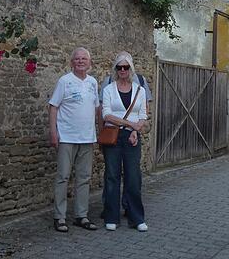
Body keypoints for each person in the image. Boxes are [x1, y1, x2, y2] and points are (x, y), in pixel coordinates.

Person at [49, 47, 101, 232]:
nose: (80, 61)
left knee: (84, 178)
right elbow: (53, 107)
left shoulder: (93, 83)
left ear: (89, 62)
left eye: (84, 59)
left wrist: (99, 133)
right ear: (72, 62)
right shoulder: (64, 81)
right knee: (63, 177)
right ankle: (59, 217)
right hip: (67, 137)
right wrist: (53, 132)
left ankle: (81, 215)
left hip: (87, 138)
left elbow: (96, 109)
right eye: (77, 59)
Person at [99, 51, 152, 217]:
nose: (123, 70)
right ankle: (111, 213)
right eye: (119, 67)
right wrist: (102, 133)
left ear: (131, 68)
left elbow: (144, 112)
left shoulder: (140, 85)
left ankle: (132, 212)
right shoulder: (108, 85)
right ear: (116, 68)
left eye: (126, 67)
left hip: (132, 136)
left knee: (133, 176)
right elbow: (104, 112)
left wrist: (135, 130)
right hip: (113, 135)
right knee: (112, 176)